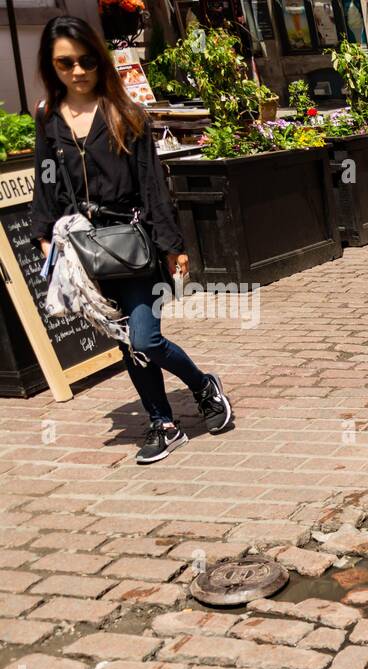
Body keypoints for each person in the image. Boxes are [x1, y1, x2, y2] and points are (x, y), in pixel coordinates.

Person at [31, 15, 233, 465]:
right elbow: (45, 185)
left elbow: (151, 183)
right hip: (84, 250)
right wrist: (43, 235)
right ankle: (162, 422)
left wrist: (173, 244)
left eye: (86, 60)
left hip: (134, 241)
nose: (78, 71)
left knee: (145, 339)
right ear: (52, 65)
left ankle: (202, 385)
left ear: (100, 60)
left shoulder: (128, 114)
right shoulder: (47, 118)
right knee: (128, 344)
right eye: (66, 63)